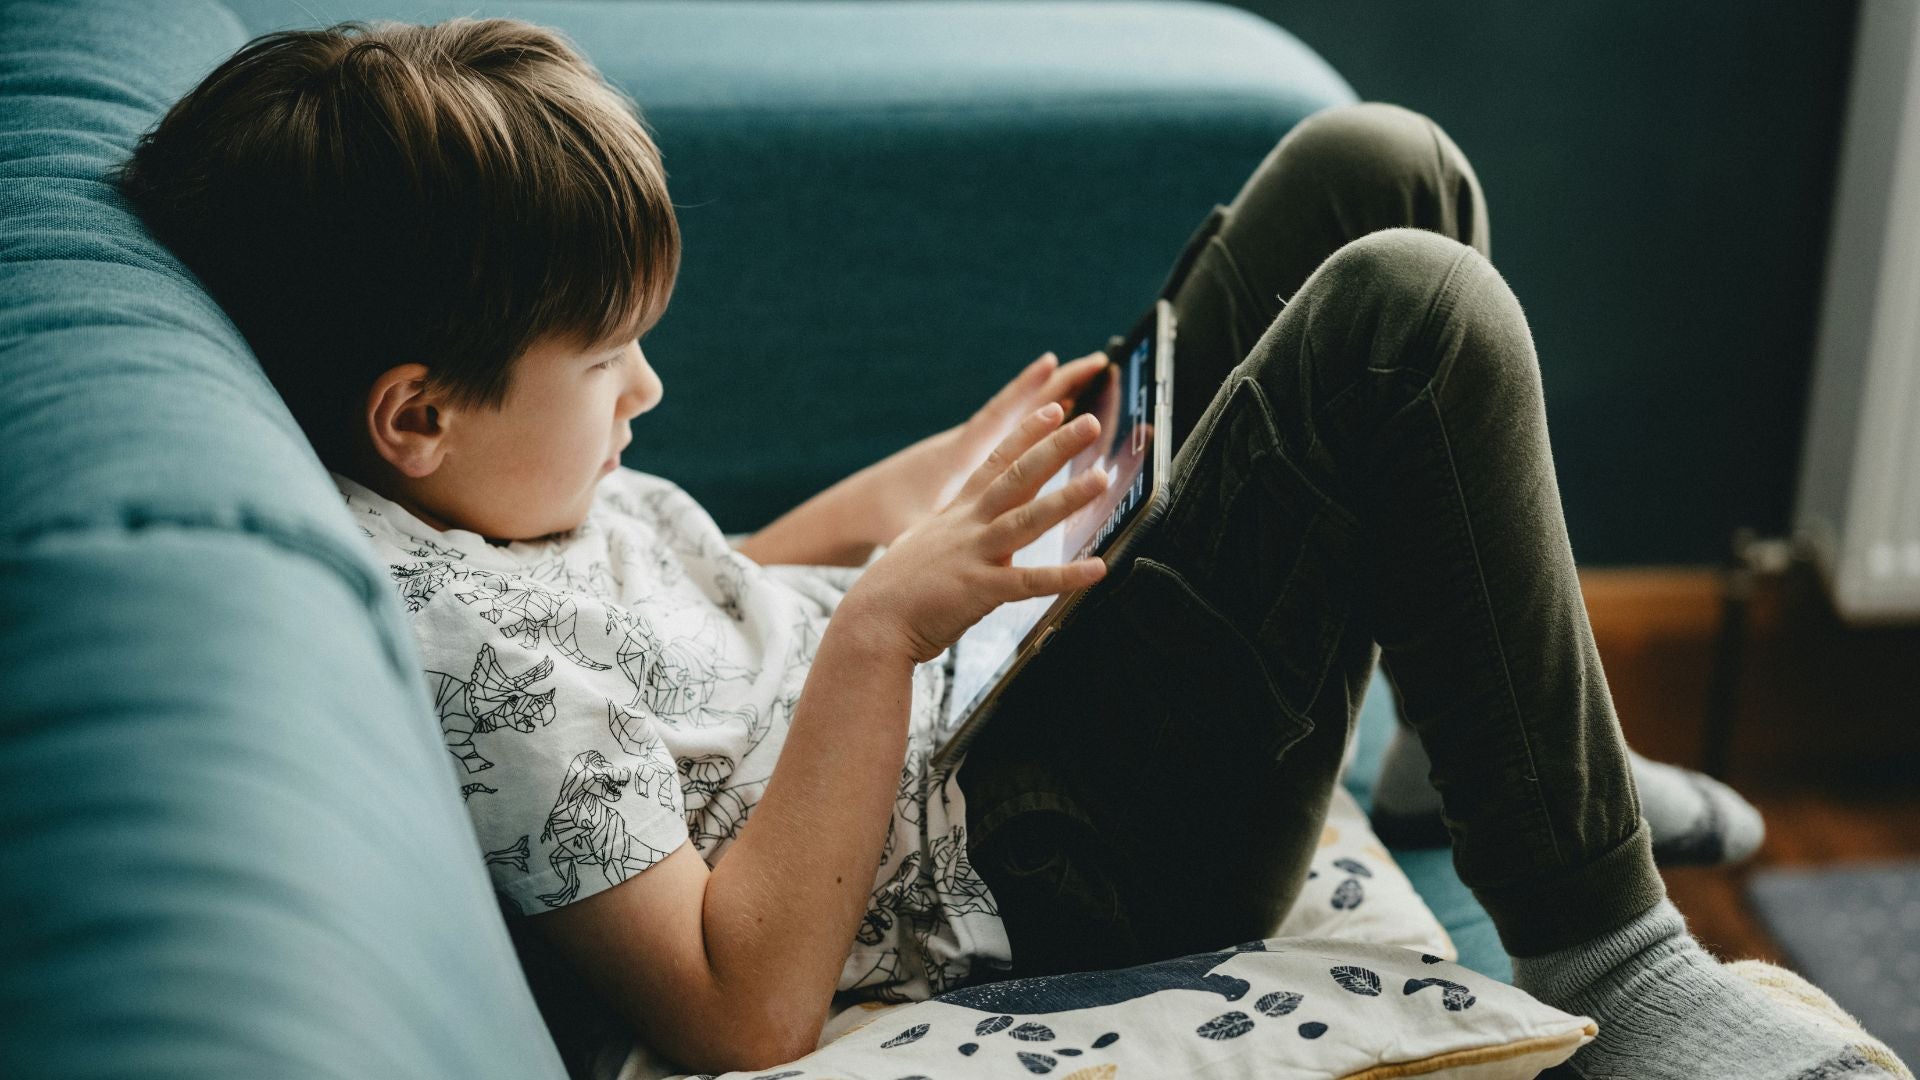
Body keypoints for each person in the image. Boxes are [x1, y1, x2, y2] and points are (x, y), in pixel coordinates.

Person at [109, 16, 1891, 1080]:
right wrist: (882, 632)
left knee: (1375, 166)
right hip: (1036, 853)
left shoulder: (475, 504)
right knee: (1410, 319)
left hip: (970, 695)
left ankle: (1457, 727)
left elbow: (692, 590)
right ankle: (1617, 965)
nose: (650, 385)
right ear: (413, 414)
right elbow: (742, 1007)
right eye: (606, 357)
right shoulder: (467, 657)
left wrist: (921, 497)